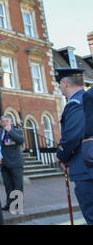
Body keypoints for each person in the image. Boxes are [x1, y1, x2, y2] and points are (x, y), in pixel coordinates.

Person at [55, 68, 93, 225]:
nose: (60, 90)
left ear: (65, 83)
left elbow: (72, 136)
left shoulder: (77, 103)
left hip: (86, 168)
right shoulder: (87, 98)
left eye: (59, 86)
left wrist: (61, 155)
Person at [0, 115, 24, 211]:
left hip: (15, 163)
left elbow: (21, 141)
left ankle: (18, 205)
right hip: (4, 164)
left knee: (17, 185)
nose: (5, 123)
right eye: (3, 121)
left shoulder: (16, 131)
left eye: (7, 121)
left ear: (10, 122)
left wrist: (10, 131)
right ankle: (9, 203)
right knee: (8, 186)